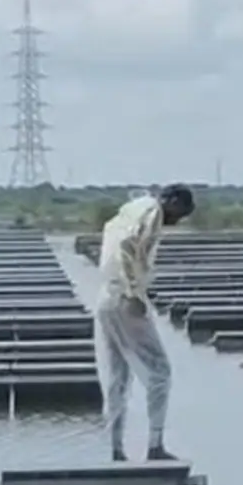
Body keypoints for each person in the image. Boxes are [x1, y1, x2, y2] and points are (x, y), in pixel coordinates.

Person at [94, 184, 195, 462]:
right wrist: (133, 290)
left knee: (117, 377)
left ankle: (114, 450)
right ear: (171, 201)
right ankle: (155, 446)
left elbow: (112, 234)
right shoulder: (153, 210)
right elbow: (127, 245)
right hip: (124, 297)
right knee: (160, 372)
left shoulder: (133, 208)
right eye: (179, 214)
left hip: (105, 297)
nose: (175, 221)